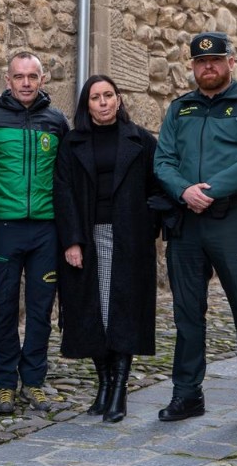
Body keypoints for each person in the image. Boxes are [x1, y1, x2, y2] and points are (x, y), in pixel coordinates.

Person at [154, 31, 237, 431]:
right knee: (187, 313)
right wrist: (183, 190)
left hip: (233, 221)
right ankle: (187, 393)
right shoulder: (180, 109)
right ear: (192, 66)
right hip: (187, 222)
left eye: (216, 60)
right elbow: (163, 160)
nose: (209, 66)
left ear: (231, 63)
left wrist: (211, 190)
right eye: (201, 61)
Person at [54, 75, 164, 423]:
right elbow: (63, 192)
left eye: (109, 95)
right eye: (95, 97)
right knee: (94, 313)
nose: (103, 102)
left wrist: (148, 228)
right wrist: (71, 239)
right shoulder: (72, 142)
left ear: (118, 100)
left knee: (123, 313)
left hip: (129, 236)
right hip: (88, 235)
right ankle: (103, 383)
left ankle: (119, 390)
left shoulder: (141, 141)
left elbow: (157, 188)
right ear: (87, 104)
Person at [0, 52, 70, 414]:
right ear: (8, 80)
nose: (26, 83)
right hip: (3, 227)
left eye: (32, 76)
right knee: (2, 307)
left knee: (39, 310)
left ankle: (33, 380)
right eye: (19, 77)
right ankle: (4, 382)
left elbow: (67, 176)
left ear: (42, 79)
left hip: (45, 230)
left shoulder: (56, 121)